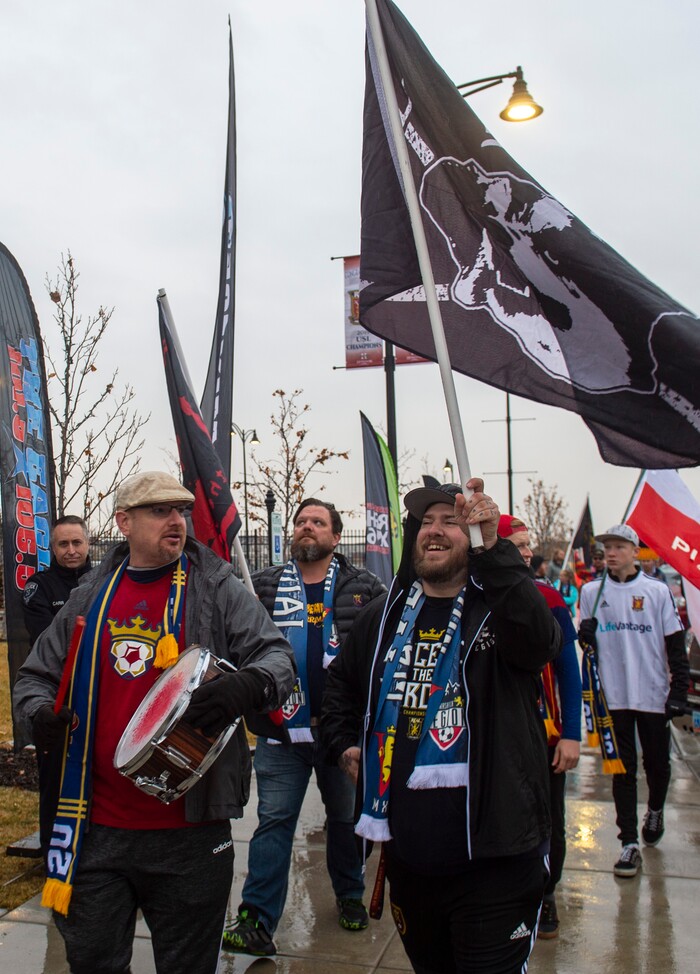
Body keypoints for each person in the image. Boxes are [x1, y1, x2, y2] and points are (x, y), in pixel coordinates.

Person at [14, 471, 296, 974]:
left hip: (190, 831)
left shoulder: (216, 588)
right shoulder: (88, 597)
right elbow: (34, 676)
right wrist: (38, 715)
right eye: (159, 510)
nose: (176, 521)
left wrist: (248, 685)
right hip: (94, 827)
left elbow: (277, 658)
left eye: (182, 511)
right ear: (124, 521)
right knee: (94, 962)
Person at [321, 482, 562, 974]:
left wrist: (496, 552)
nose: (434, 530)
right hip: (410, 862)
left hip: (495, 863)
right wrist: (345, 746)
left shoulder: (500, 607)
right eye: (426, 522)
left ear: (471, 535)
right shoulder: (383, 617)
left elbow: (541, 642)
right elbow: (340, 687)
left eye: (450, 520)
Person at [223, 498, 386, 957]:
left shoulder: (364, 588)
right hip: (281, 733)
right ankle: (256, 917)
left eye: (317, 522)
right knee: (273, 822)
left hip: (340, 735)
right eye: (300, 521)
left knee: (346, 819)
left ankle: (350, 895)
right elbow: (241, 647)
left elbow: (379, 658)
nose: (306, 527)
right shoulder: (265, 587)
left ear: (336, 537)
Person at [578, 523, 688, 879]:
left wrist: (679, 693)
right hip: (614, 696)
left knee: (657, 765)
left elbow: (675, 646)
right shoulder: (592, 591)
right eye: (606, 547)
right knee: (621, 769)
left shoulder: (655, 592)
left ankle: (654, 808)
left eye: (618, 547)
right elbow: (588, 647)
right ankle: (628, 842)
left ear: (634, 550)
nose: (610, 553)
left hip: (652, 694)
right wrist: (586, 638)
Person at [498, 515, 581, 939]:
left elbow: (569, 668)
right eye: (519, 544)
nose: (529, 552)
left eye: (529, 544)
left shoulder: (549, 597)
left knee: (551, 818)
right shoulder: (481, 597)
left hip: (546, 734)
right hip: (501, 735)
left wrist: (572, 734)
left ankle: (547, 894)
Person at [22, 515, 93, 860]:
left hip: (100, 696)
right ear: (52, 548)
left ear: (88, 544)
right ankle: (53, 855)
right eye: (63, 544)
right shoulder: (40, 586)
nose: (71, 550)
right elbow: (47, 643)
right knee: (55, 780)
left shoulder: (107, 581)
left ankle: (97, 854)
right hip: (57, 701)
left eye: (77, 542)